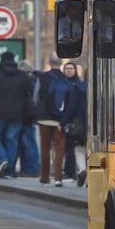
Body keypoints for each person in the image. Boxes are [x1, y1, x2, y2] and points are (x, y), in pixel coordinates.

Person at [0, 51, 30, 179]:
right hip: (17, 115)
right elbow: (28, 96)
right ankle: (9, 171)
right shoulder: (22, 76)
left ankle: (2, 159)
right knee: (12, 141)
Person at [36, 52, 67, 187]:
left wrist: (38, 111)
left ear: (49, 62)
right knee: (59, 148)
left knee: (45, 147)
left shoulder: (42, 77)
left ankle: (44, 177)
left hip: (44, 118)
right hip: (60, 119)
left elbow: (35, 97)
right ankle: (58, 177)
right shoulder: (65, 79)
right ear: (61, 64)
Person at [60, 65, 88, 187]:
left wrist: (63, 122)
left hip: (80, 123)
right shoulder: (104, 87)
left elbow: (71, 107)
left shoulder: (78, 88)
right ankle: (92, 175)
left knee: (79, 148)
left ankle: (82, 169)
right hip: (99, 124)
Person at [15, 59, 40, 177]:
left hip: (24, 115)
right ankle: (29, 168)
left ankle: (30, 168)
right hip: (31, 115)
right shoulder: (35, 79)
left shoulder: (28, 80)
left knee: (26, 144)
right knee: (28, 143)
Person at [59, 61, 81, 182]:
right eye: (66, 68)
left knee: (72, 147)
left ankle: (71, 171)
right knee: (68, 147)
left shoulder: (78, 85)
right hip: (65, 118)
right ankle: (70, 171)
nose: (68, 70)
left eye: (70, 68)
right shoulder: (61, 83)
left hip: (74, 119)